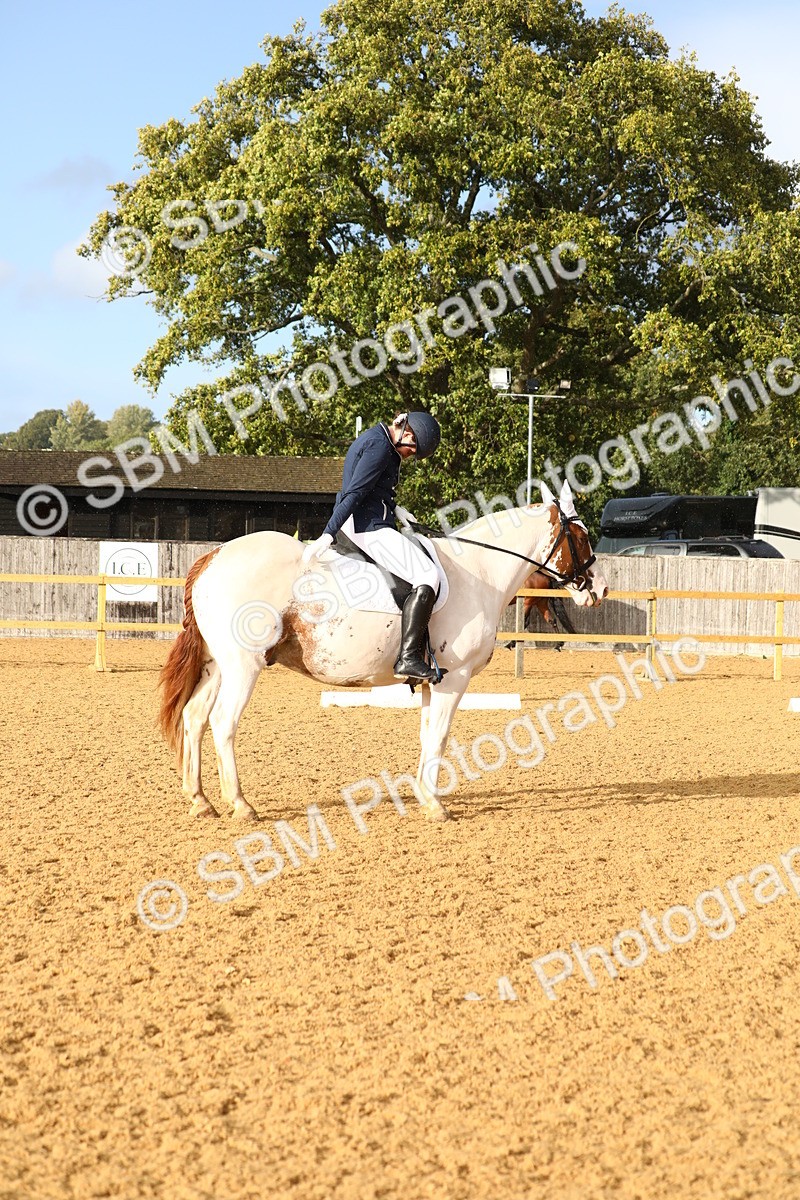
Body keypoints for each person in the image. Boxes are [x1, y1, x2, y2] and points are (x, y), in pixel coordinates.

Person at [302, 411, 442, 683]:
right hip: (367, 527)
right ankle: (408, 658)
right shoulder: (379, 447)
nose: (409, 456)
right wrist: (328, 533)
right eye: (412, 451)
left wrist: (397, 509)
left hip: (374, 520)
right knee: (428, 576)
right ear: (408, 435)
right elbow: (355, 493)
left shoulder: (382, 441)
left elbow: (376, 490)